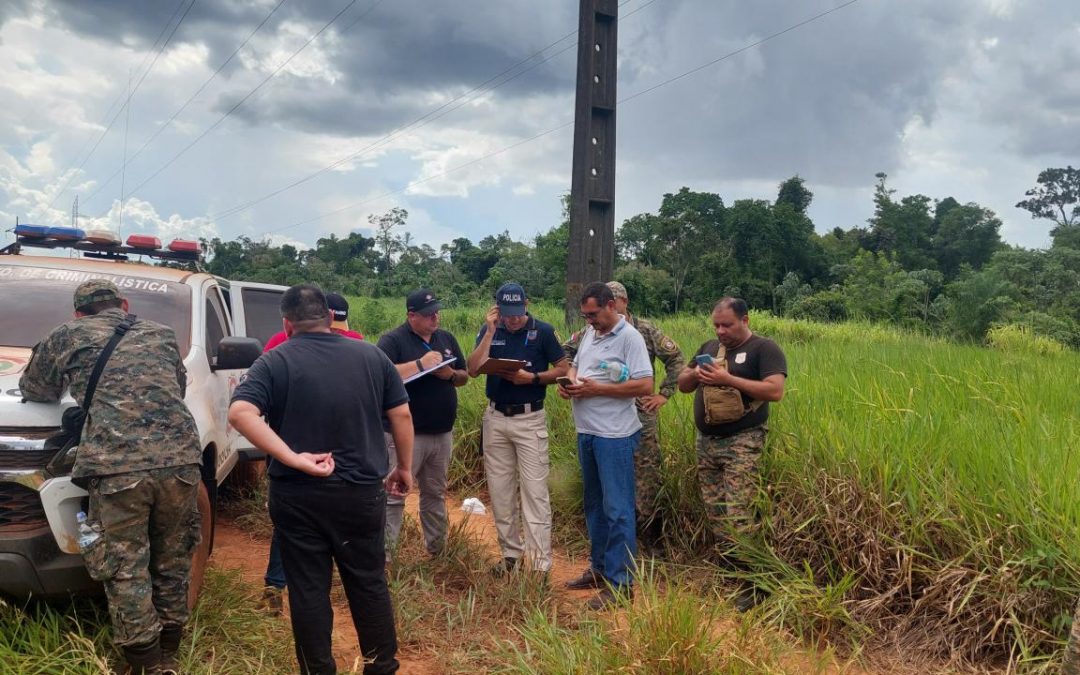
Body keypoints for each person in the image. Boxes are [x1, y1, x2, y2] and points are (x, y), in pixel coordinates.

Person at [20, 279, 202, 675]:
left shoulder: (67, 334)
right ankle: (170, 652)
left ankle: (144, 662)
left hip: (117, 467)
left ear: (78, 312)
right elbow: (177, 387)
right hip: (182, 462)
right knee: (173, 556)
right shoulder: (162, 333)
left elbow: (35, 388)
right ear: (123, 304)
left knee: (123, 565)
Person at [229, 284, 413, 675]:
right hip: (360, 492)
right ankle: (381, 667)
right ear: (331, 317)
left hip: (298, 494)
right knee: (368, 581)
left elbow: (241, 413)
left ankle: (318, 669)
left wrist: (294, 458)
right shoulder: (372, 357)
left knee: (308, 588)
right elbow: (401, 416)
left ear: (287, 323)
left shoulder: (273, 361)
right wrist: (404, 468)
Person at [260, 291, 365, 614]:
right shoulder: (280, 344)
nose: (338, 332)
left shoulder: (356, 343)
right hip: (297, 446)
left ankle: (339, 587)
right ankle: (276, 586)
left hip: (333, 447)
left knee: (331, 519)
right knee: (294, 522)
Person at [562, 281, 684, 541]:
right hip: (600, 420)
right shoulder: (591, 331)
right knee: (607, 485)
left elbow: (676, 358)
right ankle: (612, 541)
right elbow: (566, 351)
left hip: (639, 410)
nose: (613, 305)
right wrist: (571, 377)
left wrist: (664, 394)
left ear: (622, 302)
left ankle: (648, 535)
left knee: (646, 473)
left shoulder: (642, 331)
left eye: (616, 300)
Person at [558, 282, 653, 610]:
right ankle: (599, 569)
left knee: (618, 510)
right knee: (595, 506)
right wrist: (570, 381)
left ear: (612, 306)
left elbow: (644, 383)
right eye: (585, 315)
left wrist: (595, 390)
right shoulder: (591, 335)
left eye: (593, 314)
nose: (589, 321)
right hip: (588, 432)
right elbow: (577, 365)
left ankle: (622, 583)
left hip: (615, 436)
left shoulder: (630, 338)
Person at [676, 298, 786, 581]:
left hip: (743, 441)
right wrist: (696, 374)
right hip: (707, 442)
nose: (721, 331)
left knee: (740, 513)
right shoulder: (709, 348)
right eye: (716, 325)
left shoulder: (764, 348)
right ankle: (730, 572)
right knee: (716, 512)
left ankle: (752, 581)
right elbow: (683, 385)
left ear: (745, 320)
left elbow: (774, 391)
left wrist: (728, 378)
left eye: (727, 325)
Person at [465, 283, 569, 576]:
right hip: (496, 417)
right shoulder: (491, 331)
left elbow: (563, 369)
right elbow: (472, 369)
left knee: (535, 494)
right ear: (496, 309)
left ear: (527, 303)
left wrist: (533, 378)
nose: (512, 320)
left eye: (517, 312)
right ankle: (510, 556)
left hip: (529, 418)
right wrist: (488, 332)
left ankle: (539, 567)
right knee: (500, 492)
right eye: (506, 314)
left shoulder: (544, 332)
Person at [377, 289, 469, 556]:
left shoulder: (446, 338)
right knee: (394, 496)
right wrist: (420, 364)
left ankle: (437, 551)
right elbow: (383, 374)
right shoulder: (393, 340)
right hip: (405, 435)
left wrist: (450, 374)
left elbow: (464, 376)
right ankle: (385, 556)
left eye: (437, 312)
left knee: (435, 494)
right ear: (412, 315)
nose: (435, 318)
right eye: (429, 314)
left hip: (441, 433)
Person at [264, 292, 363, 349]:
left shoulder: (355, 340)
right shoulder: (280, 340)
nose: (334, 332)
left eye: (338, 329)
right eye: (329, 327)